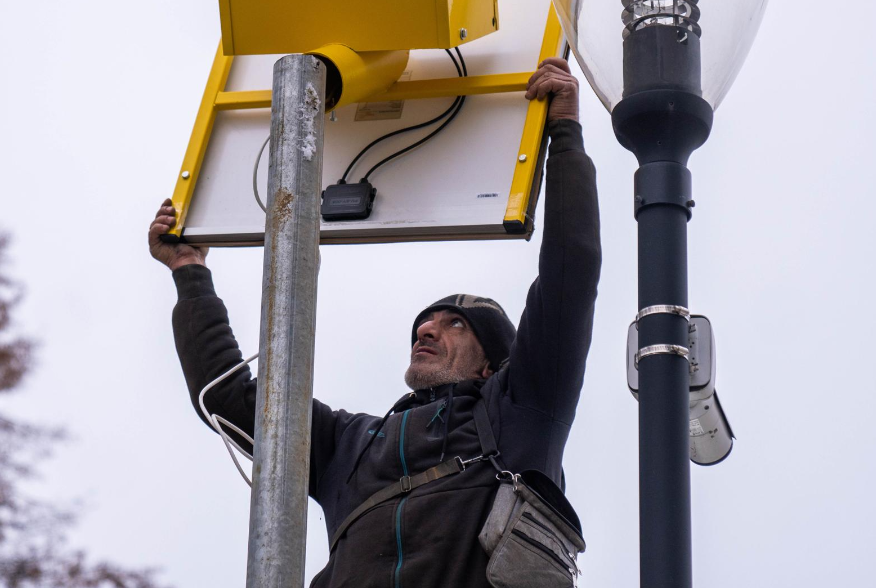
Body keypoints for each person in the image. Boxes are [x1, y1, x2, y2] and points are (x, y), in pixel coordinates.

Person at [148, 58, 601, 587]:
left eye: (456, 325)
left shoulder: (521, 413)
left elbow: (570, 272)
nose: (427, 330)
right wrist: (189, 273)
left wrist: (565, 135)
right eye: (424, 323)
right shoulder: (350, 444)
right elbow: (227, 398)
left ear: (490, 366)